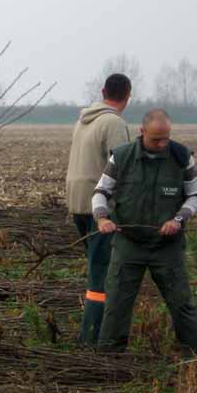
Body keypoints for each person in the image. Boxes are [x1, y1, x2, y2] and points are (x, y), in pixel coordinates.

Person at [93, 109, 197, 357]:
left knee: (182, 304)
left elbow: (195, 197)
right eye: (156, 139)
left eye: (166, 138)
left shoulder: (182, 156)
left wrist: (178, 219)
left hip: (167, 246)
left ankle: (195, 358)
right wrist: (102, 217)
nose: (162, 144)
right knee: (116, 305)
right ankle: (109, 359)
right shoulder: (121, 157)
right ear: (142, 132)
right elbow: (100, 192)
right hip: (128, 244)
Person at [65, 73, 132, 345]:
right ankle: (93, 337)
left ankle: (96, 331)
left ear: (103, 90)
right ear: (127, 97)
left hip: (78, 201)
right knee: (102, 273)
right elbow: (122, 169)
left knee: (97, 266)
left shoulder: (83, 120)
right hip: (100, 206)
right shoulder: (114, 123)